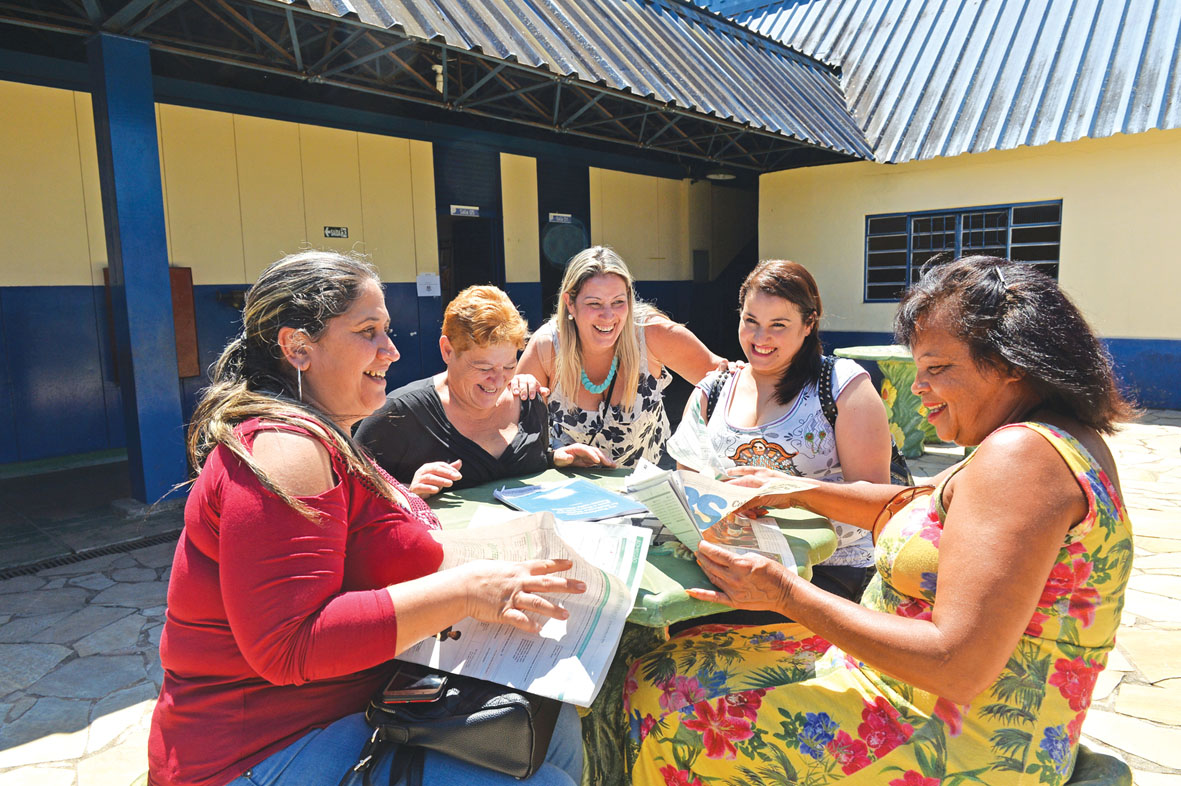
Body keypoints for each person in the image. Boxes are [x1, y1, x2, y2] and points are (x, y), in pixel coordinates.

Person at [625, 256, 1135, 786]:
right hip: (902, 686)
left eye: (939, 369)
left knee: (673, 721)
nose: (919, 389)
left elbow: (957, 665)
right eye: (919, 370)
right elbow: (927, 504)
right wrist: (799, 490)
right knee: (662, 670)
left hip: (954, 738)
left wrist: (784, 595)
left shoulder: (1021, 459)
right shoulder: (1049, 439)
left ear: (1012, 364)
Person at [148, 252, 585, 786]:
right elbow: (290, 645)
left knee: (553, 716)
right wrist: (467, 591)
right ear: (298, 347)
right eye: (369, 331)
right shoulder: (285, 449)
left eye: (388, 330)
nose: (392, 350)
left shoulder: (328, 434)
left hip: (355, 704)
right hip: (262, 748)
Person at [672, 259, 891, 608]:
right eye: (751, 321)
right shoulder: (711, 391)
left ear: (808, 324)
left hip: (827, 573)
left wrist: (787, 491)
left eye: (779, 325)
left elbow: (878, 503)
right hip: (733, 567)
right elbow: (688, 488)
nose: (761, 338)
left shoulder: (840, 386)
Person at [356, 285, 612, 498]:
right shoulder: (398, 415)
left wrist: (554, 458)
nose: (498, 381)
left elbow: (520, 466)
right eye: (483, 367)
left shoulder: (528, 399)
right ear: (447, 350)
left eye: (510, 365)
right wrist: (404, 490)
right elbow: (350, 493)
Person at [518, 246, 728, 468]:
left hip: (645, 493)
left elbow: (725, 386)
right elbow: (510, 437)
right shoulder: (548, 346)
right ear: (570, 303)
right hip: (570, 492)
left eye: (618, 302)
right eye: (594, 304)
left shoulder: (652, 333)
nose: (608, 316)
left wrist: (701, 452)